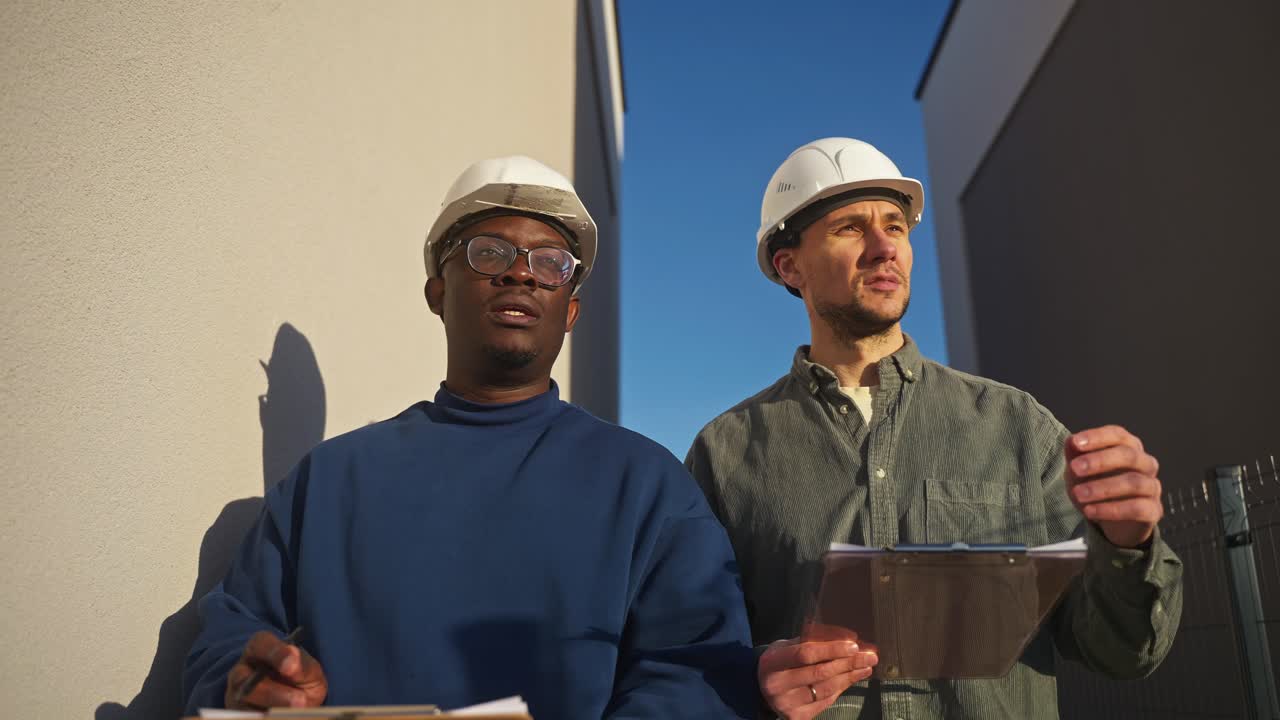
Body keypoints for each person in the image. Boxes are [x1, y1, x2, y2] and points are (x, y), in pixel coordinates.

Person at [184, 156, 756, 719]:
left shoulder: (649, 485)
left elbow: (699, 673)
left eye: (552, 263)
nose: (521, 272)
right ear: (436, 293)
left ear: (571, 311)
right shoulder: (330, 479)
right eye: (490, 253)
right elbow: (231, 640)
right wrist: (246, 686)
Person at [685, 138, 1184, 720]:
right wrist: (753, 672)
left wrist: (1127, 547)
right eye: (850, 228)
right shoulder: (725, 453)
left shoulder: (1017, 426)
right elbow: (689, 647)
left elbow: (1123, 654)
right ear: (789, 264)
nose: (882, 248)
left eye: (895, 227)